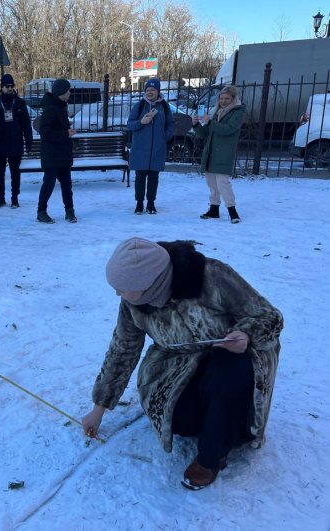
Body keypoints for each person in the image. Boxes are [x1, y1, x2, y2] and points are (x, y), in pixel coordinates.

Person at [82, 237, 283, 490]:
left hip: (232, 354)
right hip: (177, 362)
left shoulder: (211, 275)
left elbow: (267, 315)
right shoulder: (133, 303)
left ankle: (211, 457)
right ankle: (213, 420)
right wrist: (100, 406)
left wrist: (247, 334)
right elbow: (122, 349)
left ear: (148, 282)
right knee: (182, 423)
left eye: (122, 288)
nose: (117, 293)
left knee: (225, 380)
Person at [193, 85, 246, 224]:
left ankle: (232, 211)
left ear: (234, 99)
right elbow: (206, 133)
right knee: (211, 182)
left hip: (224, 152)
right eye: (221, 98)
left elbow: (228, 129)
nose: (223, 101)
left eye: (227, 98)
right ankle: (214, 209)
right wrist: (196, 125)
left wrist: (209, 122)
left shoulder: (238, 112)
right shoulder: (217, 112)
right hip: (211, 151)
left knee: (223, 182)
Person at [127, 78, 175, 214]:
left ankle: (151, 203)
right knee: (140, 177)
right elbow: (130, 124)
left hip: (157, 149)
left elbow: (171, 124)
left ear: (158, 91)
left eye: (152, 90)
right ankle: (139, 204)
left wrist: (164, 137)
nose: (150, 92)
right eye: (147, 90)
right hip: (140, 149)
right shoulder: (139, 105)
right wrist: (141, 122)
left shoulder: (164, 107)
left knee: (154, 178)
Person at [0, 74, 33, 208]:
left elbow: (26, 124)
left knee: (15, 172)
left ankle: (14, 198)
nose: (10, 88)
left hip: (15, 141)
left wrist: (28, 141)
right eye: (7, 86)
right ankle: (0, 197)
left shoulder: (19, 103)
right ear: (2, 87)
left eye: (12, 86)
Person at [36, 78, 77, 224]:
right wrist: (66, 133)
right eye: (68, 90)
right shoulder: (51, 108)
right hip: (52, 154)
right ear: (62, 93)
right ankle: (41, 211)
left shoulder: (61, 105)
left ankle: (70, 210)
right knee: (49, 183)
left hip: (62, 153)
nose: (70, 93)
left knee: (67, 184)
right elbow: (45, 133)